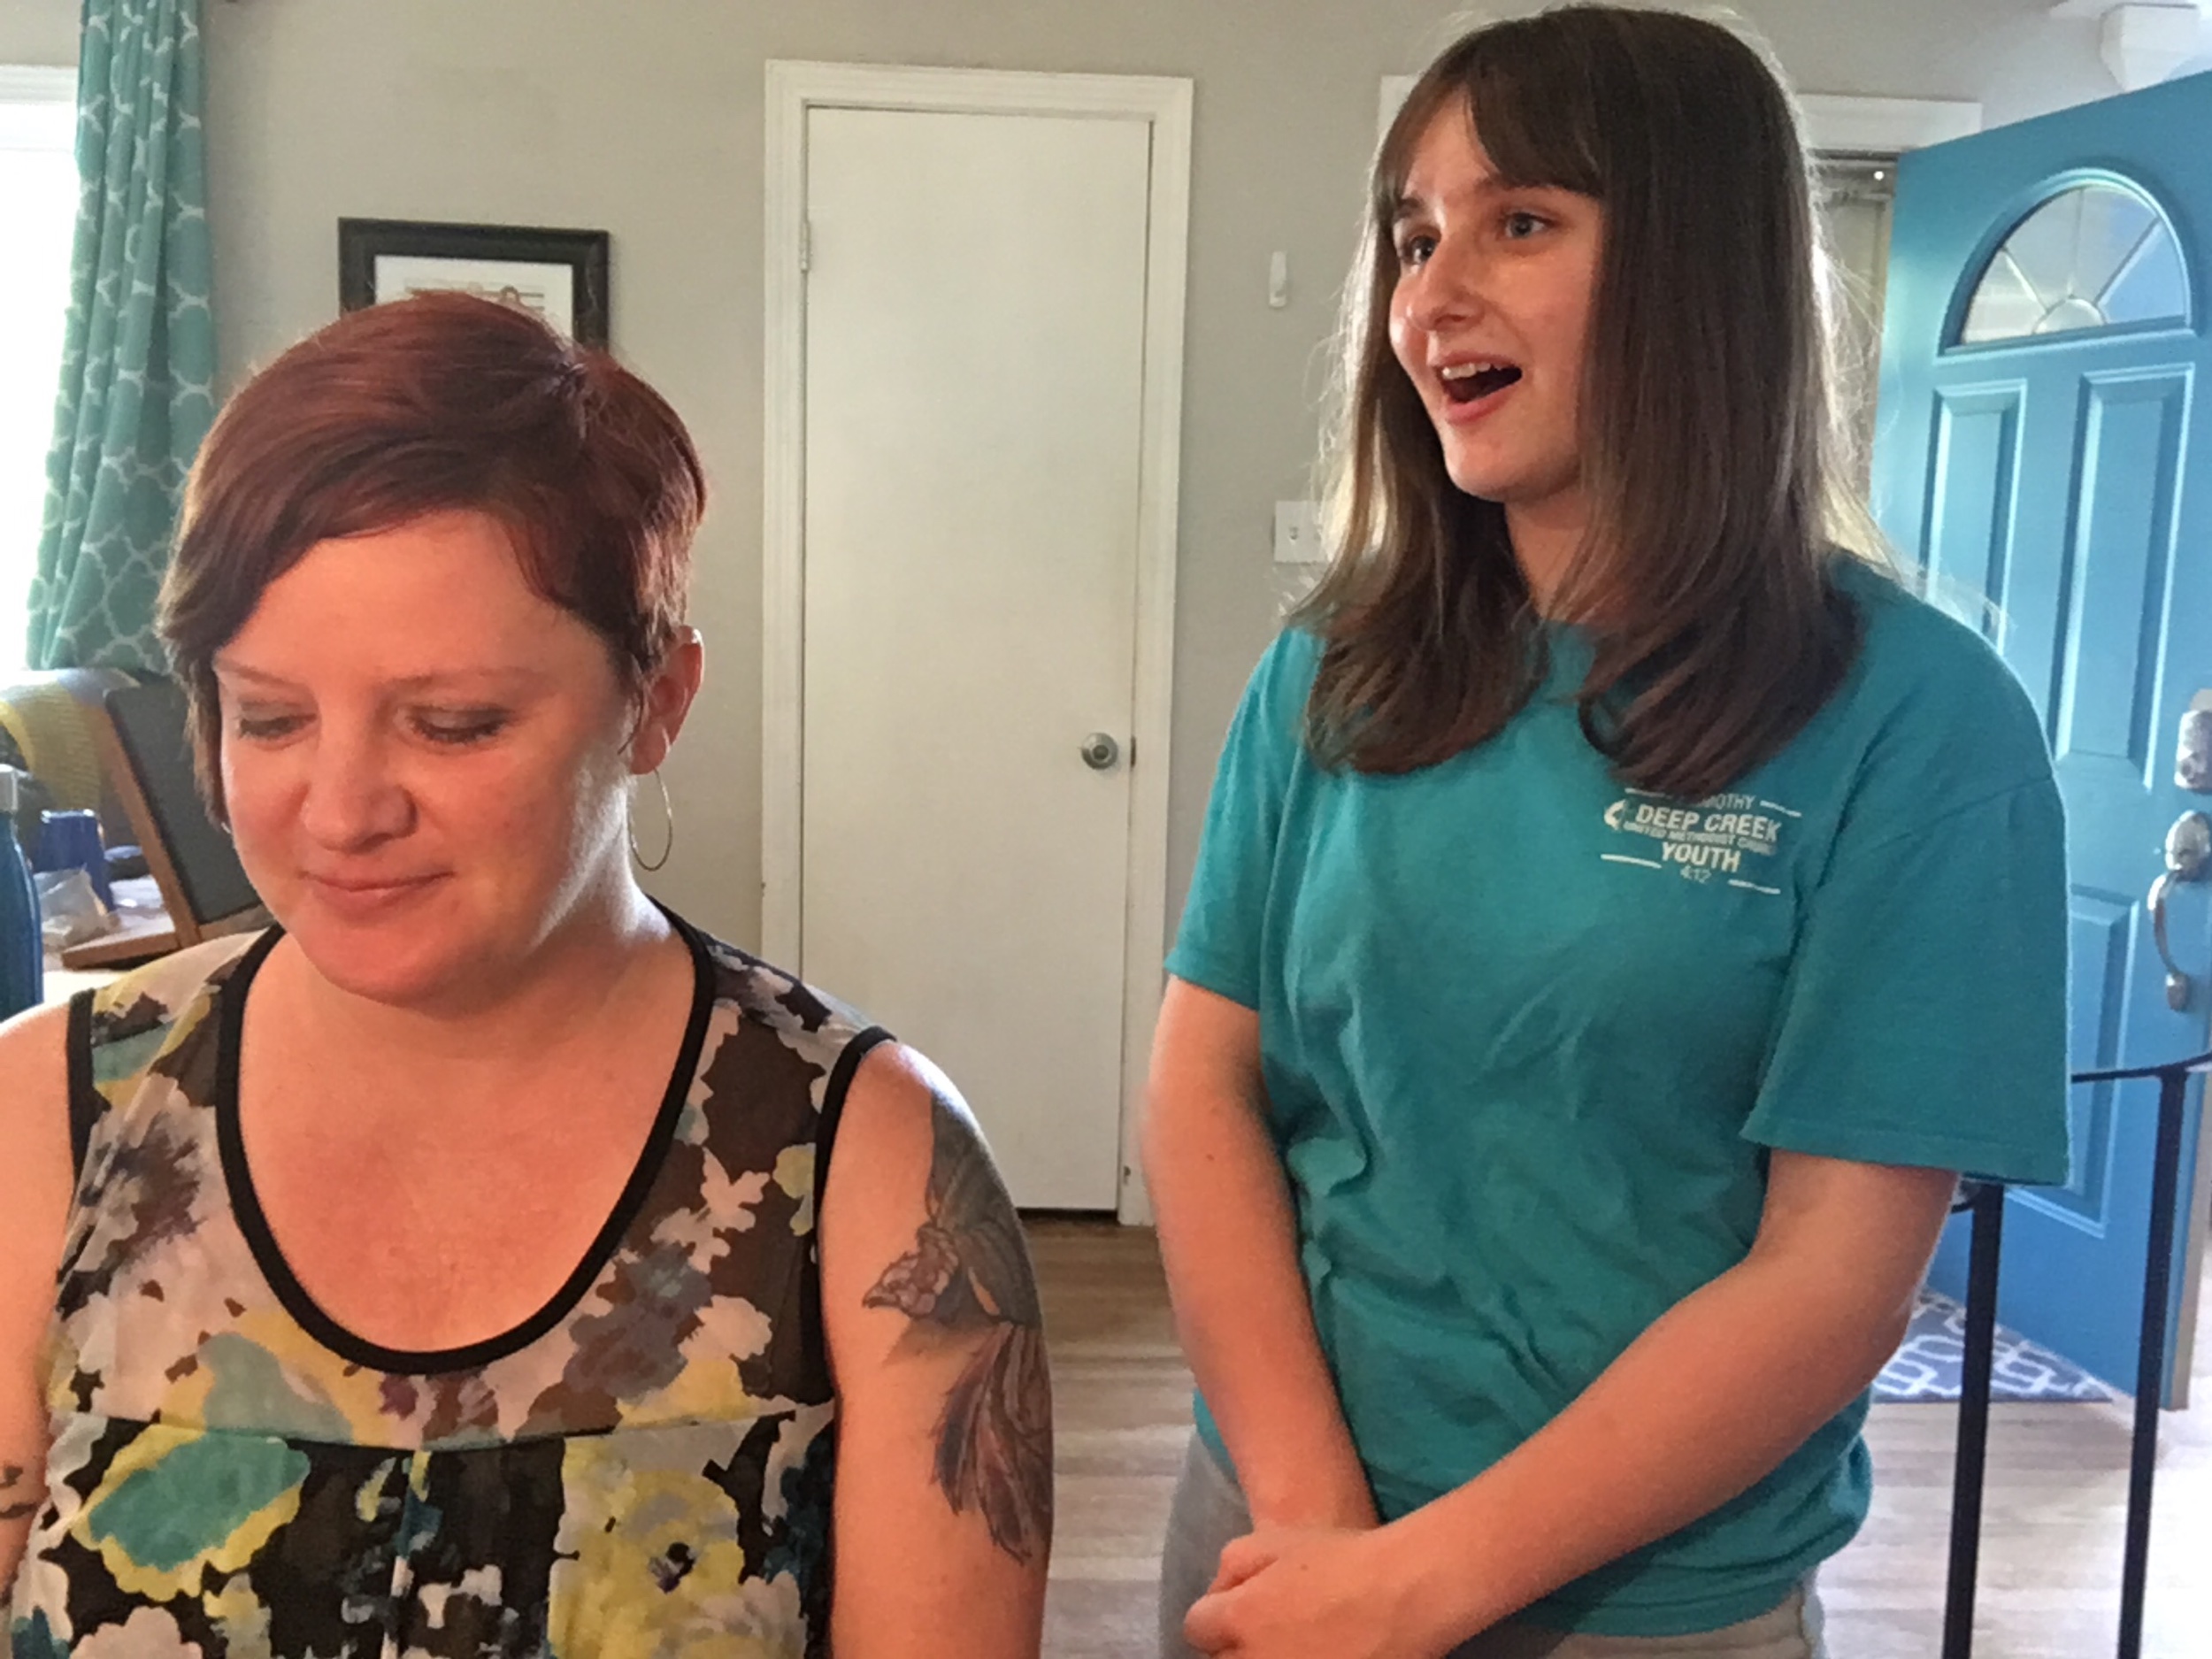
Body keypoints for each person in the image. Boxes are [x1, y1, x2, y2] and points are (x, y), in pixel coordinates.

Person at [1144, 9, 2069, 1658]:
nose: (1431, 296)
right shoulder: (1337, 662)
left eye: (1521, 222)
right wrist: (1313, 1524)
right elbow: (1206, 1083)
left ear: (1703, 271)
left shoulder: (1922, 726)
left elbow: (1829, 1280)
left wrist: (1425, 1585)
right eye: (1414, 237)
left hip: (1647, 1605)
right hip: (1279, 1542)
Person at [0, 293, 1052, 1659]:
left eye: (453, 723)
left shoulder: (861, 1166)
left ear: (657, 702)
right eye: (269, 718)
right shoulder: (55, 1113)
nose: (340, 808)